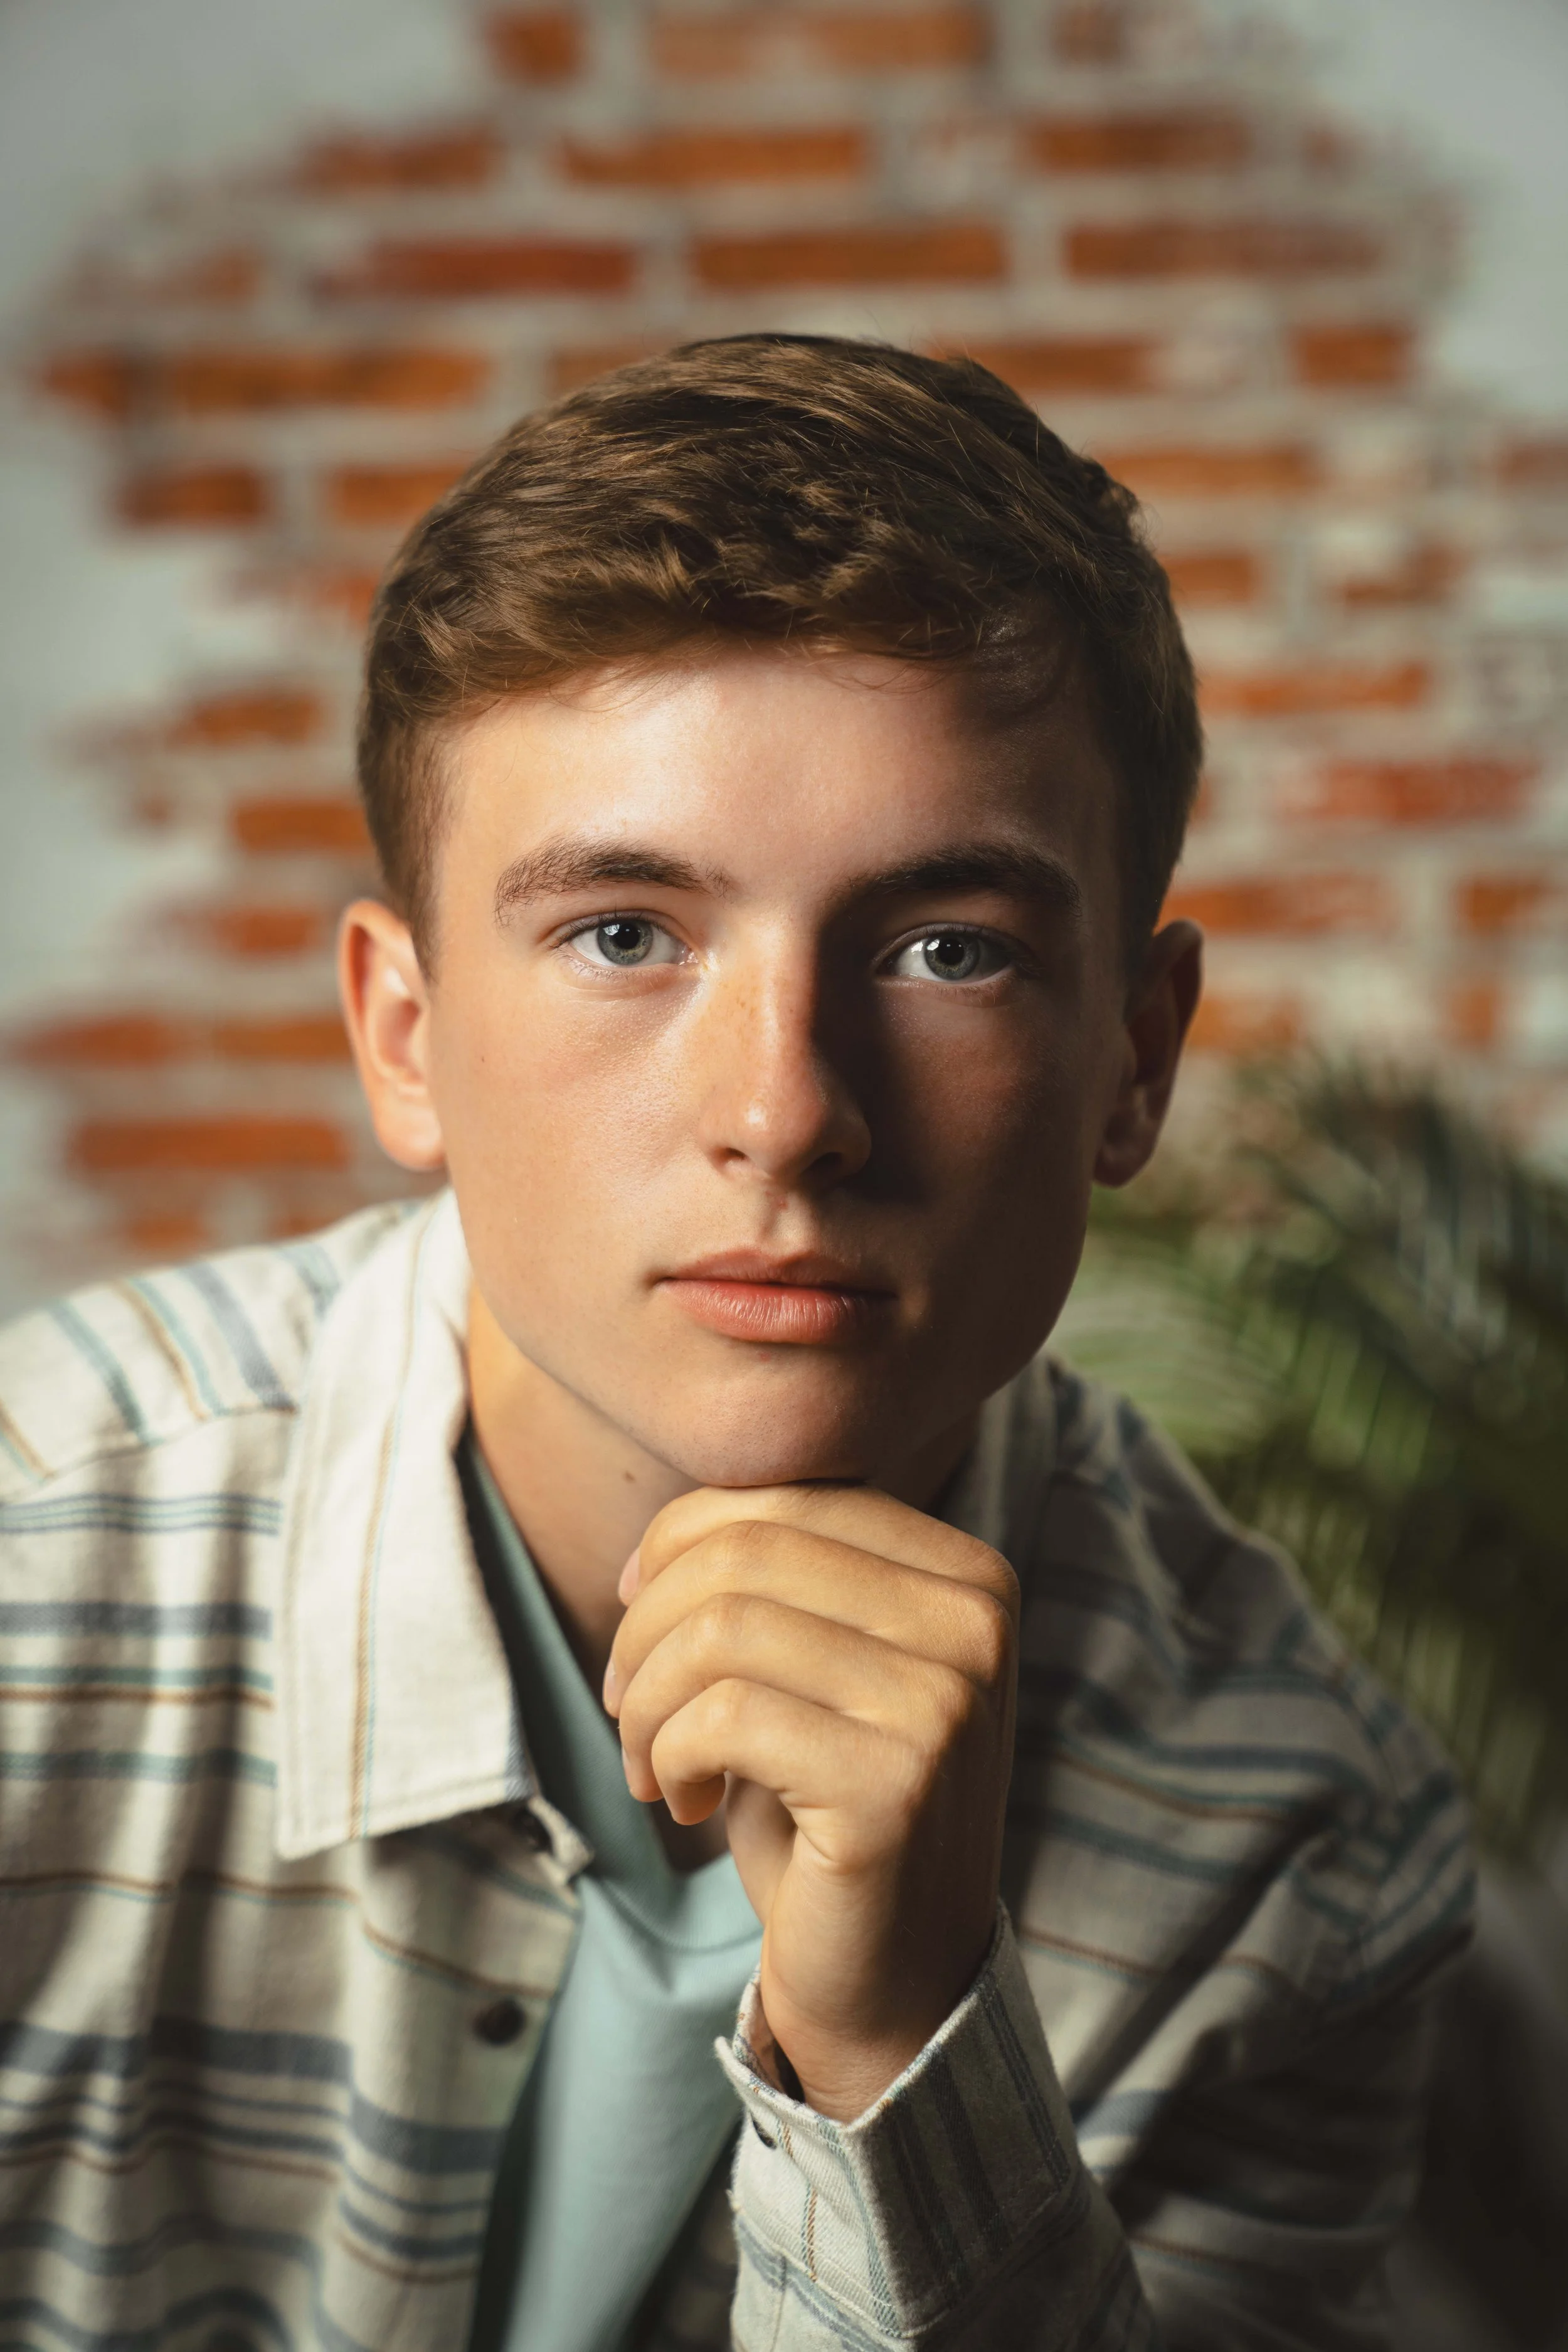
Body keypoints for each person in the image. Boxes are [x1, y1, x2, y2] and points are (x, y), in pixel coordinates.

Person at [0, 336, 1471, 2352]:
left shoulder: (1301, 1833)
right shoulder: (28, 1590)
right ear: (402, 1035)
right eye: (624, 932)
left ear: (1132, 1059)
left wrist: (901, 2051)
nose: (786, 1111)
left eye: (943, 946)